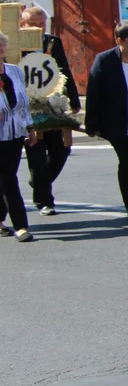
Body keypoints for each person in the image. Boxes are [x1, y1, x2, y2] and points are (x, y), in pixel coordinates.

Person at [85, 22, 128, 220]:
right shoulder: (105, 60)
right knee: (127, 160)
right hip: (116, 121)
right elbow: (93, 92)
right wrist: (92, 124)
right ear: (120, 41)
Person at [21, 6, 80, 216]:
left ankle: (39, 181)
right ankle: (44, 200)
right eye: (34, 24)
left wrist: (74, 98)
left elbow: (63, 69)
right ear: (23, 25)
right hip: (27, 109)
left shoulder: (52, 42)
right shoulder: (16, 45)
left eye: (42, 23)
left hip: (52, 106)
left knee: (61, 150)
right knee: (36, 154)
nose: (39, 28)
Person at [0, 31, 40, 242]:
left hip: (14, 134)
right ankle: (21, 226)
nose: (0, 49)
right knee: (8, 179)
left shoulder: (14, 71)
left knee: (6, 177)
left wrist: (30, 128)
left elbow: (23, 103)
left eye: (1, 45)